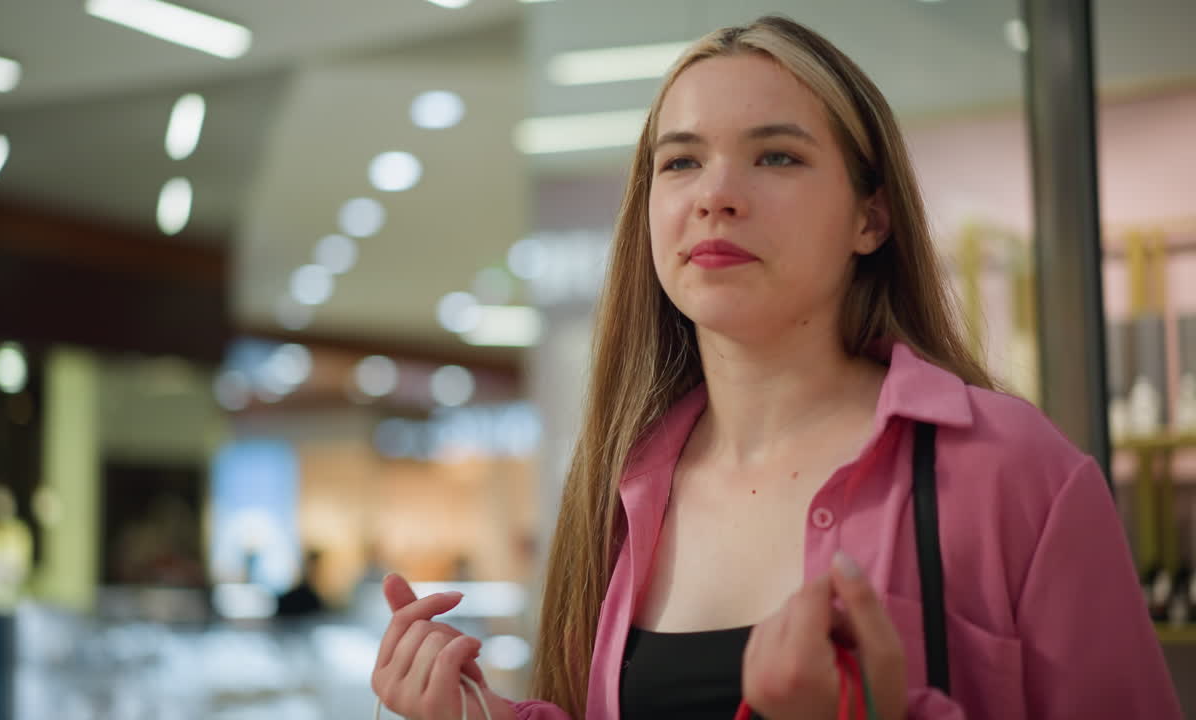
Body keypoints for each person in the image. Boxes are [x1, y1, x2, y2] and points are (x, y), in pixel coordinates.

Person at [370, 15, 1182, 720]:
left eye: (778, 158)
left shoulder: (1012, 470)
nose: (716, 195)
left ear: (872, 216)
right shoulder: (623, 486)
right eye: (680, 162)